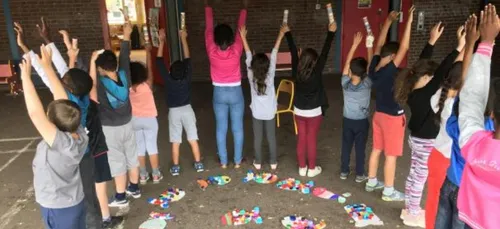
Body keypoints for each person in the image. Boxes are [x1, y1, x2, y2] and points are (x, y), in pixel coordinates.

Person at [14, 19, 121, 228]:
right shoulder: (78, 115)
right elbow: (59, 78)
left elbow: (40, 106)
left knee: (89, 200)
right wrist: (43, 44)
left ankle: (97, 223)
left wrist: (27, 66)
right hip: (81, 169)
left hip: (64, 198)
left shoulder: (62, 136)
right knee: (87, 198)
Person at [395, 22, 465, 227]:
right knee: (419, 178)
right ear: (426, 79)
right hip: (425, 142)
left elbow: (422, 63)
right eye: (432, 78)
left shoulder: (414, 90)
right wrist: (458, 48)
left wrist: (431, 42)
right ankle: (413, 212)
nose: (436, 80)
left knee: (414, 174)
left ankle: (410, 207)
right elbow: (444, 69)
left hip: (416, 139)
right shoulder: (427, 93)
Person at [20, 48, 88, 229]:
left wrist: (25, 78)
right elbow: (64, 101)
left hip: (58, 207)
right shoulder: (79, 132)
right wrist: (47, 68)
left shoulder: (61, 142)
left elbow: (35, 114)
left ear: (52, 123)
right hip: (74, 202)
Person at [90, 15, 140, 207]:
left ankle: (120, 197)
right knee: (131, 156)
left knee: (117, 161)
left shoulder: (101, 85)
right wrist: (126, 35)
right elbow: (125, 55)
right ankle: (134, 187)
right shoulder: (124, 74)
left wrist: (93, 62)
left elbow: (91, 83)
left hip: (110, 129)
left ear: (100, 68)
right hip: (128, 122)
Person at [365, 7, 414, 201]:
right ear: (393, 57)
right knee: (391, 155)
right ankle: (388, 190)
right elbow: (404, 48)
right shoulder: (390, 71)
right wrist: (408, 22)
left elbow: (378, 47)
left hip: (378, 115)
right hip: (393, 118)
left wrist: (387, 22)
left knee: (377, 149)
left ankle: (371, 181)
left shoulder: (374, 68)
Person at [457, 6, 500, 229]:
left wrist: (485, 44)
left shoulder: (473, 144)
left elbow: (471, 100)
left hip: (473, 221)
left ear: (492, 115)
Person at [284, 18, 337, 178]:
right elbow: (325, 52)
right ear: (314, 62)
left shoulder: (296, 70)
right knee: (311, 139)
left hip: (299, 110)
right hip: (314, 111)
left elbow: (293, 51)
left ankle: (302, 167)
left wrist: (288, 33)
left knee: (301, 138)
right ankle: (312, 168)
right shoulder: (317, 71)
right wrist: (331, 33)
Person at [204, 0, 248, 168]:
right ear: (231, 39)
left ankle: (223, 162)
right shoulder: (237, 49)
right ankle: (237, 161)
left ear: (215, 38)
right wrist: (244, 8)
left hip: (219, 93)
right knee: (237, 128)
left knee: (220, 128)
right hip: (235, 92)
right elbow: (240, 29)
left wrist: (208, 7)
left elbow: (208, 29)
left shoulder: (211, 50)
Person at [157, 28, 204, 176]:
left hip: (174, 112)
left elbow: (159, 62)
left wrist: (161, 42)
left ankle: (175, 167)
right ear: (185, 71)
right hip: (187, 110)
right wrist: (183, 38)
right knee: (192, 138)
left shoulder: (168, 80)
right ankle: (198, 164)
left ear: (170, 71)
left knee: (175, 140)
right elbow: (188, 59)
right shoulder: (187, 78)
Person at [240, 24, 285, 170]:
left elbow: (247, 55)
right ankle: (273, 162)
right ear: (267, 66)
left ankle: (258, 162)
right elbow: (275, 52)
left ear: (253, 66)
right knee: (271, 138)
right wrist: (281, 34)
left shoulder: (251, 75)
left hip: (257, 113)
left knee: (257, 138)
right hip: (270, 113)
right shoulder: (270, 74)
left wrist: (243, 38)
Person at [339, 32, 374, 182]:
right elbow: (372, 66)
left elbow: (346, 66)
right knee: (360, 148)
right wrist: (369, 46)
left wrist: (353, 46)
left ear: (351, 71)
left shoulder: (344, 83)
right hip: (362, 122)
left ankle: (344, 172)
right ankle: (360, 174)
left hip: (348, 120)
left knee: (346, 146)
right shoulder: (367, 84)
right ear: (364, 72)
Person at [129, 44, 163, 183]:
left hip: (134, 120)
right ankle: (155, 174)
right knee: (152, 146)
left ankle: (142, 175)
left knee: (139, 148)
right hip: (150, 120)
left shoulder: (127, 88)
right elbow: (151, 71)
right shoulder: (147, 85)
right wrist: (148, 53)